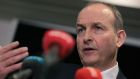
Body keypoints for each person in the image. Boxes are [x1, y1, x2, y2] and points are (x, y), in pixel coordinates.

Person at [76, 1, 127, 79]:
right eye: (81, 30)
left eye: (98, 28)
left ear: (119, 38)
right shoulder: (53, 73)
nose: (86, 38)